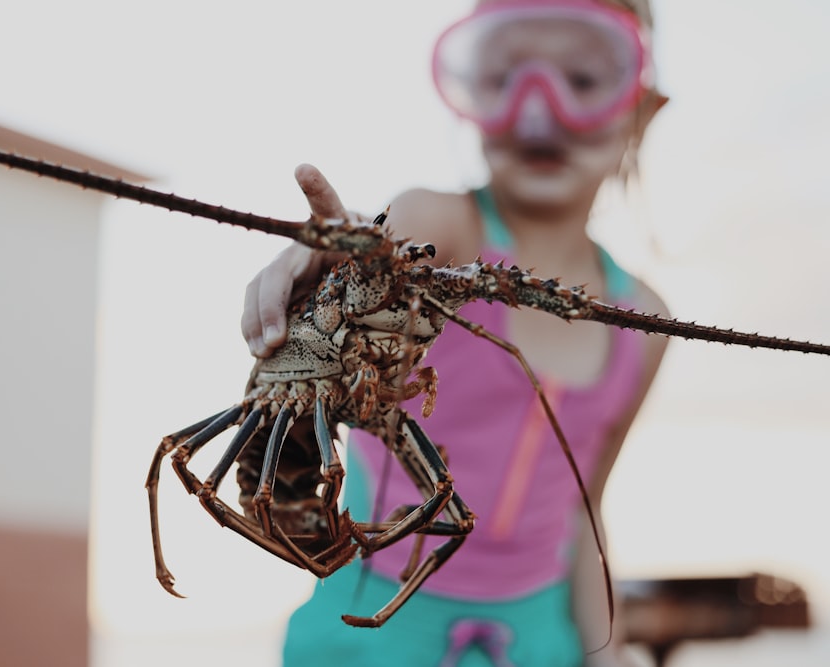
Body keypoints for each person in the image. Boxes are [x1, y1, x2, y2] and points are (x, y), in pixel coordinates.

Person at [241, 1, 669, 665]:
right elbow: (384, 245)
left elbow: (585, 511)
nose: (539, 108)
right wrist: (329, 257)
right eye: (504, 77)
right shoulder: (442, 224)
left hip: (542, 641)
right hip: (366, 628)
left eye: (582, 80)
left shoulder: (644, 319)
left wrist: (604, 652)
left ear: (642, 107)